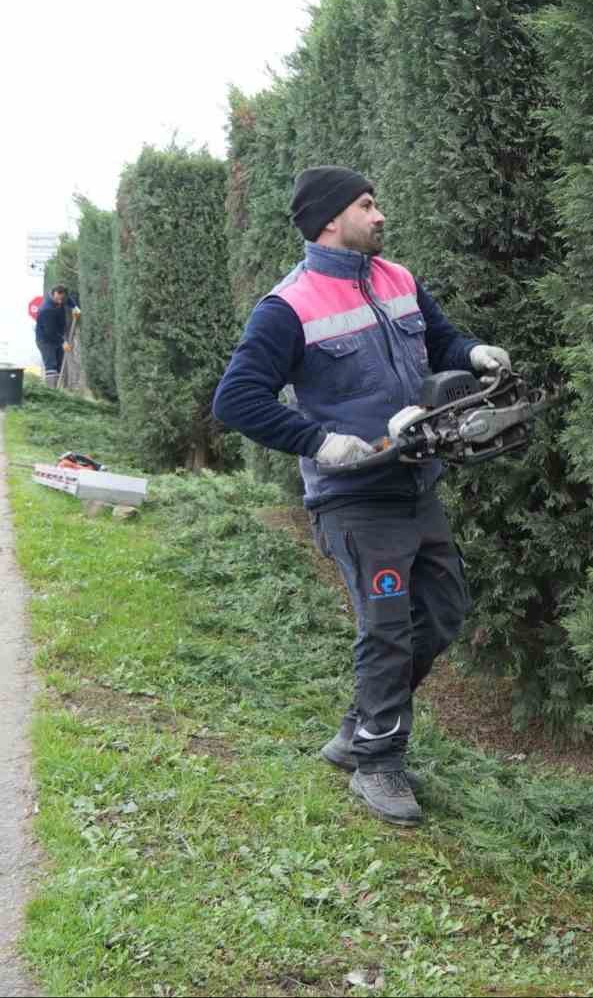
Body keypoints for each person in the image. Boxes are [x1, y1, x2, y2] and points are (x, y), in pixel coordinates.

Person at [212, 166, 513, 827]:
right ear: (330, 220)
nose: (379, 215)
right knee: (387, 630)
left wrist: (474, 353)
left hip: (415, 481)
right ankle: (378, 762)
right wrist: (319, 442)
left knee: (442, 613)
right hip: (354, 497)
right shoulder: (289, 306)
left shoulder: (399, 279)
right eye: (366, 205)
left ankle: (359, 729)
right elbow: (235, 398)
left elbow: (440, 341)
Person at [35, 284, 78, 389]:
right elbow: (50, 332)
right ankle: (51, 391)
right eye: (58, 299)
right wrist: (63, 342)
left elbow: (68, 300)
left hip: (57, 337)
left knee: (59, 364)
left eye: (62, 299)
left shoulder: (62, 298)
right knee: (51, 365)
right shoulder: (46, 309)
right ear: (54, 293)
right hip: (45, 340)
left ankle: (58, 390)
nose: (60, 302)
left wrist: (74, 307)